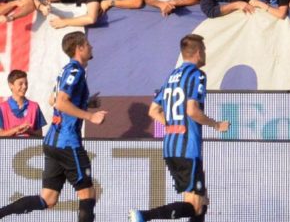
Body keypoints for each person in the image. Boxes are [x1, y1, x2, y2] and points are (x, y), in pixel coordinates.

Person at [0, 32, 106, 220]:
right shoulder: (76, 71)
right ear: (79, 48)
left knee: (47, 199)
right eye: (88, 44)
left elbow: (52, 99)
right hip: (67, 142)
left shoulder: (65, 70)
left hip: (52, 142)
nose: (91, 47)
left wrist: (85, 103)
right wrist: (91, 116)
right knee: (87, 194)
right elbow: (60, 103)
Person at [130, 34, 230, 222]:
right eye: (205, 51)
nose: (205, 54)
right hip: (187, 148)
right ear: (199, 52)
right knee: (195, 206)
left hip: (170, 146)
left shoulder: (171, 76)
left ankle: (144, 216)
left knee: (201, 203)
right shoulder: (197, 75)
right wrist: (216, 125)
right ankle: (144, 215)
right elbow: (192, 110)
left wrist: (172, 126)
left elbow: (153, 111)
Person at [0, 70, 45, 137]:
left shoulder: (34, 106)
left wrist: (29, 131)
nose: (24, 87)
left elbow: (39, 134)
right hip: (9, 147)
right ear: (11, 85)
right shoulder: (2, 107)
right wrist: (17, 129)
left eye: (26, 83)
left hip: (29, 147)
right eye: (20, 84)